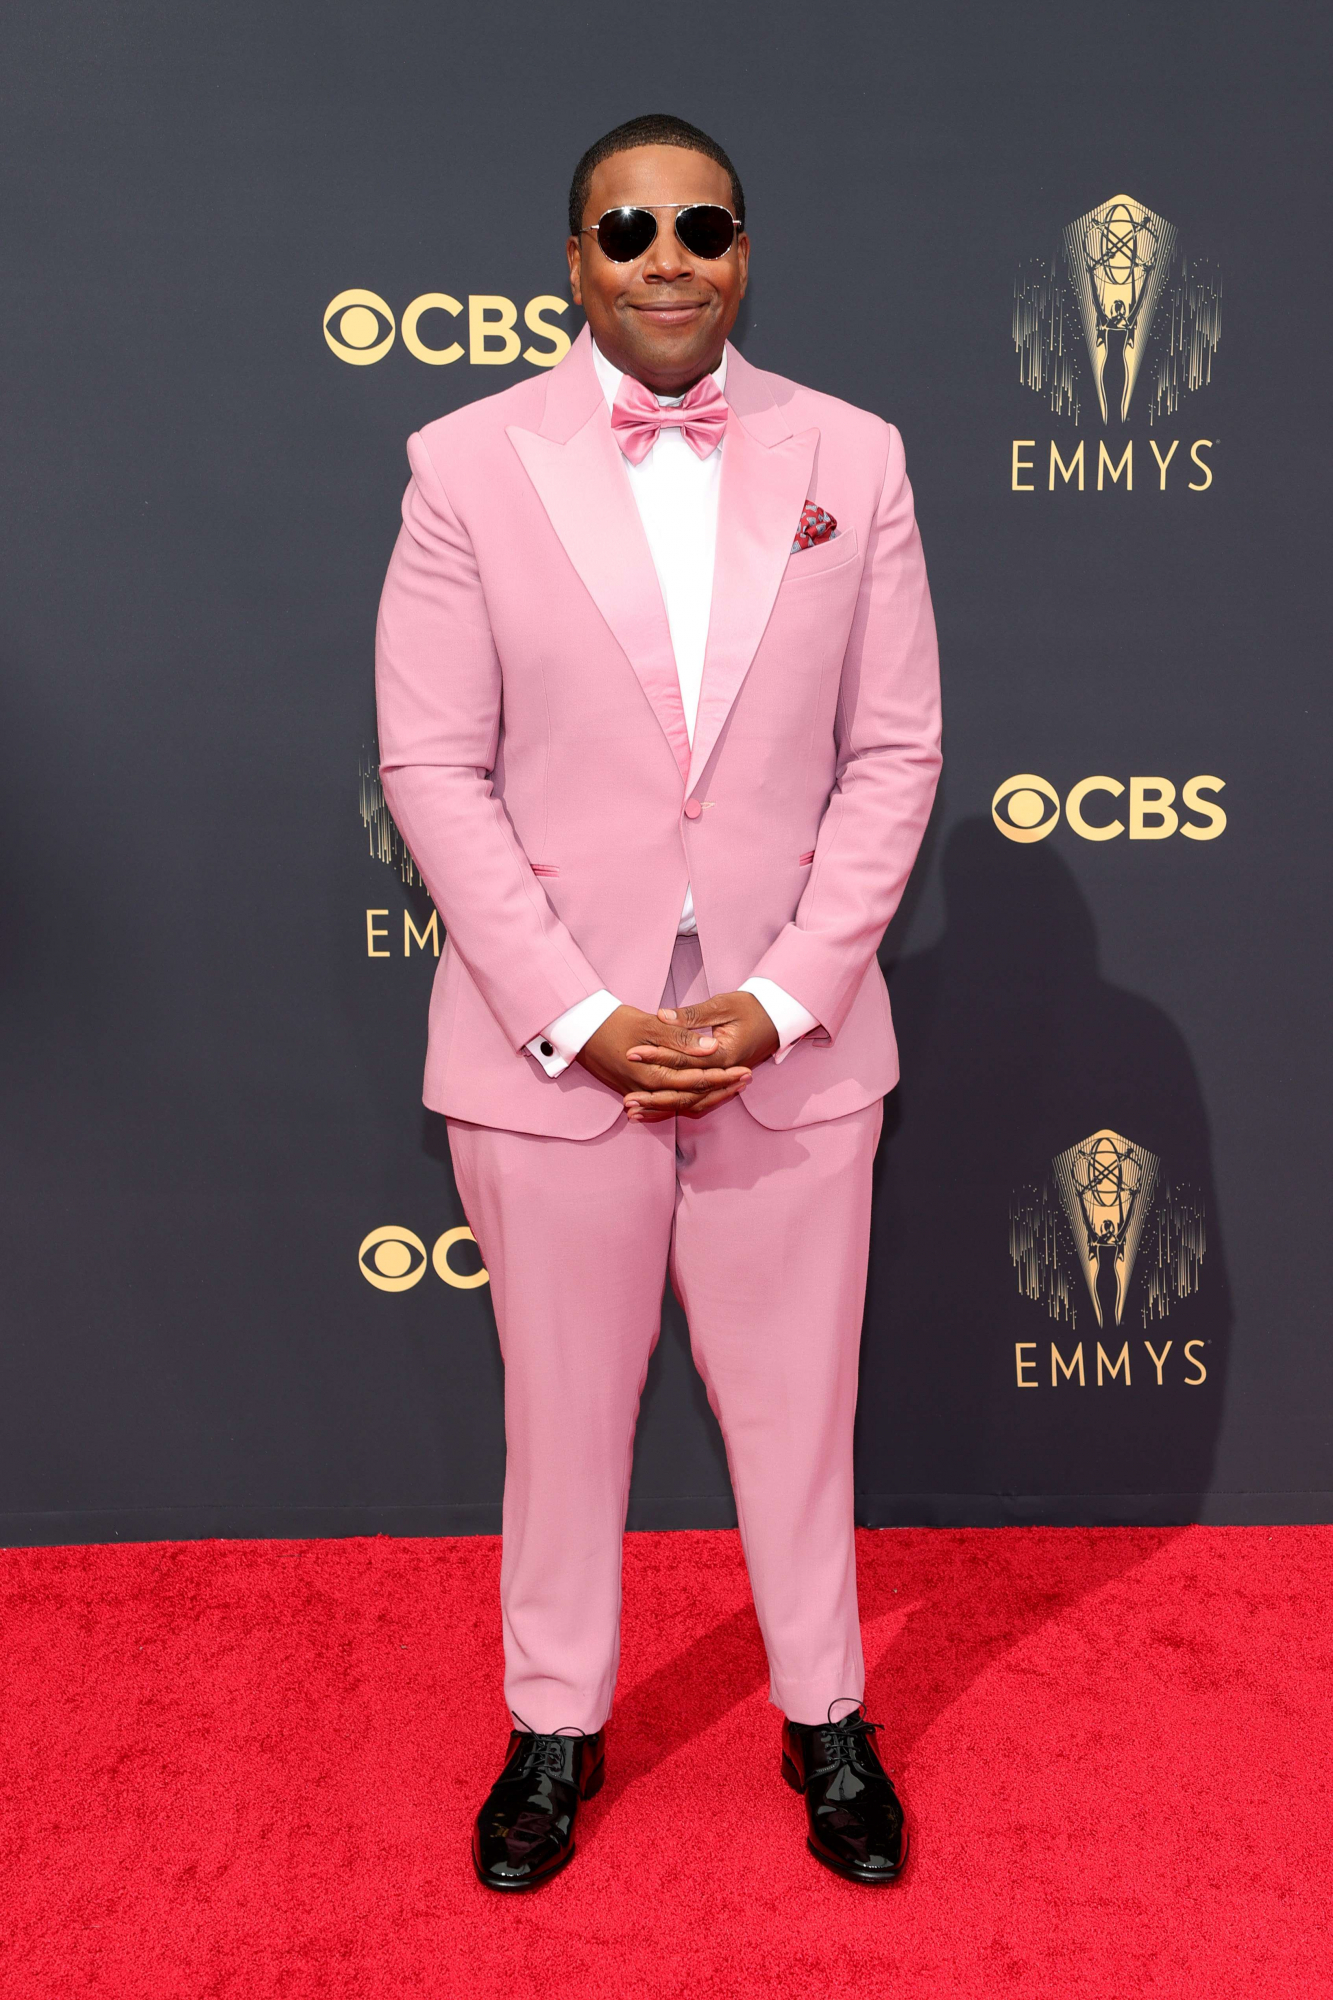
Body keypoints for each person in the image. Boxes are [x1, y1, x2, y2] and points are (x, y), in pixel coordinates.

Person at [375, 112, 941, 1890]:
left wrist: (779, 1002)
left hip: (792, 1049)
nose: (668, 256)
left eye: (703, 223)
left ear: (746, 250)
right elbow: (431, 765)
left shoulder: (854, 453)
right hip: (550, 1060)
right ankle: (554, 1724)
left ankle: (824, 1715)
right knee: (557, 1418)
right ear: (576, 262)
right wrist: (576, 1012)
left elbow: (894, 752)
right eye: (629, 231)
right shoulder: (464, 463)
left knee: (800, 1411)